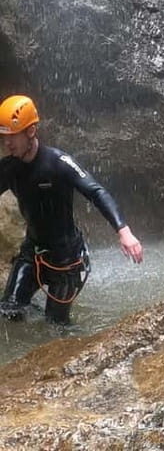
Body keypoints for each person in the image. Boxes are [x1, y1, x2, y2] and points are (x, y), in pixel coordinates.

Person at [0, 95, 143, 324]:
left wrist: (123, 231)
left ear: (31, 131)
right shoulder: (9, 168)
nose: (7, 143)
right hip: (33, 252)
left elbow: (96, 192)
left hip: (66, 260)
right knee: (9, 311)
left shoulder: (59, 162)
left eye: (12, 135)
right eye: (4, 136)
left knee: (56, 325)